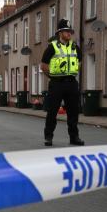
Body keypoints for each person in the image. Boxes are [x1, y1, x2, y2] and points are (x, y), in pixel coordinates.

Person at [41, 19, 85, 147]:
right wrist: (53, 77)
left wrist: (73, 72)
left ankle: (74, 137)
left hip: (71, 83)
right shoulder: (52, 47)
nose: (69, 33)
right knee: (52, 111)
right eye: (66, 31)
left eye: (70, 31)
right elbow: (43, 66)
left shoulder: (75, 47)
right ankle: (48, 137)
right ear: (60, 33)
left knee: (73, 111)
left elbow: (79, 62)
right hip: (56, 83)